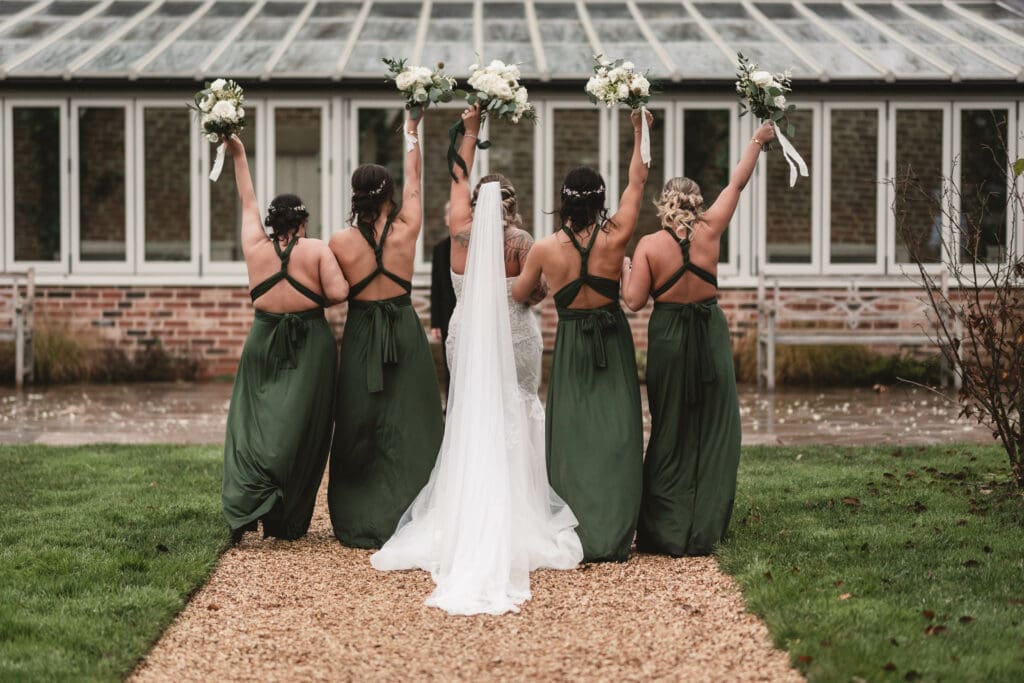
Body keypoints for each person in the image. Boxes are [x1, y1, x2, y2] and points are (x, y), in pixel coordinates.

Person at [371, 106, 581, 616]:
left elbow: (457, 180)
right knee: (518, 405)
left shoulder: (458, 243)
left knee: (470, 411)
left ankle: (465, 511)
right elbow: (535, 296)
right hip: (514, 338)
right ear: (510, 205)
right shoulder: (523, 244)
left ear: (475, 206)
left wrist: (471, 129)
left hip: (466, 336)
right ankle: (519, 510)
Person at [621, 121, 776, 556]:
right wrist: (757, 141)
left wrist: (626, 269)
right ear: (696, 202)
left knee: (669, 425)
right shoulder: (710, 229)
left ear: (663, 204)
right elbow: (738, 182)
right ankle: (704, 525)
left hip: (669, 335)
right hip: (708, 331)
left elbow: (634, 303)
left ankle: (665, 527)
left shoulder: (650, 245)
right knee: (713, 426)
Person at [512, 109, 652, 563]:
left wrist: (545, 286)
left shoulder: (545, 249)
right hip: (613, 336)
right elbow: (639, 181)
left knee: (571, 436)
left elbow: (519, 293)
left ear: (564, 200)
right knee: (618, 432)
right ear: (600, 200)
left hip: (572, 345)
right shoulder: (617, 236)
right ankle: (613, 533)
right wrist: (638, 129)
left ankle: (576, 530)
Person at [220, 134, 349, 543]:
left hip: (262, 339)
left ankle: (250, 501)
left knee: (253, 424)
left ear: (272, 223)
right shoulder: (316, 250)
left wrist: (238, 153)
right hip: (309, 342)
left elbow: (247, 201)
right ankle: (286, 517)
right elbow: (340, 293)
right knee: (304, 429)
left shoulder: (254, 246)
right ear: (303, 222)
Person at [327, 110, 444, 549]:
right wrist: (411, 128)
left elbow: (331, 290)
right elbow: (417, 180)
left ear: (355, 196)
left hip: (361, 334)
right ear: (389, 194)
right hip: (403, 330)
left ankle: (361, 515)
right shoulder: (407, 229)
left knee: (360, 422)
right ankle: (410, 513)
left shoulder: (339, 242)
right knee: (411, 420)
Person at [430, 202, 456, 395]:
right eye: (448, 215)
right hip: (447, 314)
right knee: (449, 361)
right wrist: (435, 322)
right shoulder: (439, 249)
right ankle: (451, 403)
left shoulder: (473, 247)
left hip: (470, 313)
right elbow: (436, 288)